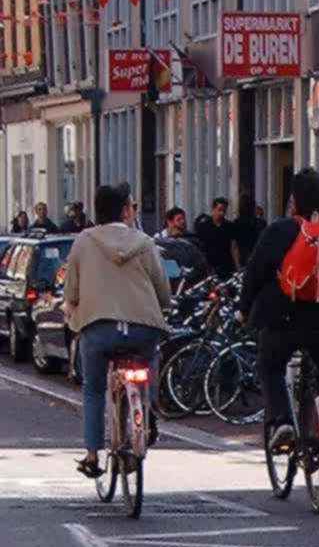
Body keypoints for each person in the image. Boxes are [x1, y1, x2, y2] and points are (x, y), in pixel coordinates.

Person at [239, 165, 319, 452]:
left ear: (293, 200)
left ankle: (282, 420)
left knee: (270, 366)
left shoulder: (279, 231)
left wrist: (245, 309)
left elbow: (255, 273)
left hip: (284, 318)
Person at [64, 180, 170, 479]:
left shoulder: (83, 241)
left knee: (94, 388)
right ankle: (147, 407)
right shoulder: (144, 243)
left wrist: (72, 306)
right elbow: (162, 289)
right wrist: (164, 307)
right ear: (125, 211)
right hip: (142, 328)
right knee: (150, 359)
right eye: (132, 206)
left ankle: (92, 455)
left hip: (99, 329)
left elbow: (71, 291)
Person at [193, 195, 237, 278]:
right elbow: (199, 248)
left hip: (226, 265)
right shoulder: (203, 226)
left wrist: (237, 266)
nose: (222, 213)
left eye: (224, 211)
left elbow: (233, 247)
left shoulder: (229, 226)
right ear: (213, 209)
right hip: (209, 266)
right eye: (219, 210)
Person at [233, 193, 266, 263]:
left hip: (242, 257)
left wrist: (237, 264)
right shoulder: (261, 222)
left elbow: (234, 246)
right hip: (256, 257)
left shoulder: (236, 223)